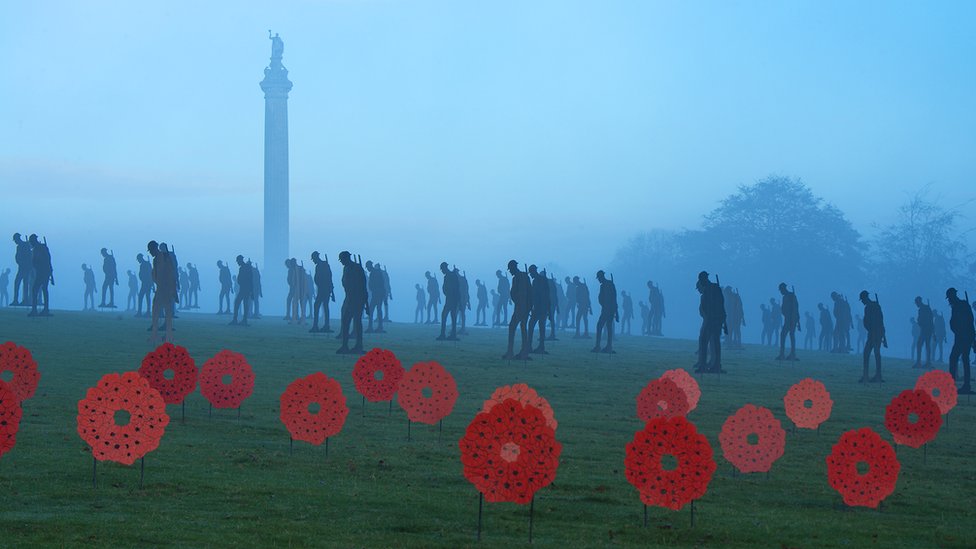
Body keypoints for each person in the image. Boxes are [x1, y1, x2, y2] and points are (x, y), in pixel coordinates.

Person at [693, 271, 725, 373]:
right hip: (716, 319)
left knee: (704, 341)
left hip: (712, 319)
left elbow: (718, 304)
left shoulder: (710, 290)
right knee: (715, 342)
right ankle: (715, 365)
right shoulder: (715, 288)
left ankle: (705, 366)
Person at [337, 251, 368, 354]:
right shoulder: (346, 268)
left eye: (342, 260)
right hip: (349, 298)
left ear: (347, 258)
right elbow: (344, 282)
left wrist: (365, 301)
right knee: (345, 322)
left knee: (357, 323)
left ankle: (359, 346)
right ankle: (345, 346)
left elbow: (363, 285)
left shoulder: (357, 268)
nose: (341, 262)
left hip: (358, 299)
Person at [946, 288, 974, 394]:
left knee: (957, 358)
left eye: (949, 298)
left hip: (964, 337)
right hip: (961, 336)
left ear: (953, 296)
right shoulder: (957, 306)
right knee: (961, 358)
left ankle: (963, 385)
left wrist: (970, 336)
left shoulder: (962, 305)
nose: (949, 300)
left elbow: (970, 321)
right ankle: (963, 385)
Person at [502, 260, 532, 360]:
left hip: (521, 306)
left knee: (513, 327)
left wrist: (520, 303)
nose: (510, 271)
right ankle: (523, 352)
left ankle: (511, 352)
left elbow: (518, 293)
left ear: (514, 268)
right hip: (525, 306)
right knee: (523, 328)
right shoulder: (525, 276)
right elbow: (530, 292)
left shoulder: (518, 278)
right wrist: (529, 306)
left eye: (510, 269)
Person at [149, 240, 176, 344]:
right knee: (156, 312)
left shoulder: (165, 258)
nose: (151, 253)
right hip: (160, 288)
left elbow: (171, 274)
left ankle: (168, 336)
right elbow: (155, 274)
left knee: (167, 314)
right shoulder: (156, 260)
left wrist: (172, 290)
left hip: (166, 289)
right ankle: (155, 335)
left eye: (151, 250)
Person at [859, 290, 886, 383]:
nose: (862, 302)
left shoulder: (869, 308)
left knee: (868, 353)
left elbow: (871, 321)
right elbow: (881, 320)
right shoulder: (876, 306)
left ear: (865, 298)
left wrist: (872, 330)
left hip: (874, 333)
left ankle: (868, 376)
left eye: (862, 300)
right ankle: (877, 375)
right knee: (875, 353)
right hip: (877, 332)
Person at [593, 271, 619, 353]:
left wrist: (616, 311)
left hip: (607, 309)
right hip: (608, 309)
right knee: (608, 327)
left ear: (601, 277)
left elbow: (613, 298)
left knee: (601, 326)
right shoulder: (607, 285)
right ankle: (607, 346)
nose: (598, 280)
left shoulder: (606, 285)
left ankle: (601, 346)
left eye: (599, 278)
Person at [27, 234, 53, 317]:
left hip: (43, 272)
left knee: (37, 290)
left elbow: (46, 260)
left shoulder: (40, 248)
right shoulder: (39, 248)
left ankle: (40, 310)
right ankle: (43, 310)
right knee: (42, 290)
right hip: (42, 272)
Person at [309, 252, 335, 333]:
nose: (313, 261)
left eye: (313, 259)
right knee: (323, 306)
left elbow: (329, 277)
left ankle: (321, 326)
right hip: (322, 289)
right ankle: (321, 326)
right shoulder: (321, 265)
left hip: (324, 289)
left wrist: (331, 290)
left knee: (320, 306)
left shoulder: (323, 265)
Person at [527, 266, 550, 354]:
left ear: (534, 272)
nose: (531, 275)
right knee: (540, 326)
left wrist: (535, 307)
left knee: (534, 325)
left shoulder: (538, 281)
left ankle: (536, 346)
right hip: (541, 307)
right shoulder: (541, 280)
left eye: (531, 273)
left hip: (539, 308)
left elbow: (541, 295)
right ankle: (537, 346)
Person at [776, 283, 800, 361]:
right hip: (788, 319)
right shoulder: (786, 297)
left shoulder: (791, 296)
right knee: (784, 335)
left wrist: (797, 321)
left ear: (783, 289)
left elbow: (796, 309)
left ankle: (792, 354)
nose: (781, 292)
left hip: (792, 319)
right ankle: (782, 354)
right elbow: (784, 309)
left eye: (781, 290)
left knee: (790, 336)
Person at [437, 262, 460, 341]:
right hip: (451, 299)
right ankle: (450, 334)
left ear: (444, 268)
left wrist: (454, 297)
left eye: (442, 269)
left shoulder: (451, 276)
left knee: (446, 316)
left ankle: (446, 334)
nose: (442, 271)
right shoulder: (450, 276)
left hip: (451, 299)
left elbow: (455, 288)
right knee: (451, 316)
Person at [229, 255, 253, 326]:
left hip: (245, 288)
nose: (237, 263)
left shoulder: (245, 268)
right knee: (243, 304)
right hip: (245, 288)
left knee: (239, 303)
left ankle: (239, 320)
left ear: (240, 260)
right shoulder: (244, 268)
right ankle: (242, 320)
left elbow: (249, 279)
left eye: (238, 261)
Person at [11, 233, 33, 306]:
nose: (15, 242)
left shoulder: (25, 245)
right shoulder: (20, 246)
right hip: (21, 267)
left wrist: (26, 264)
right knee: (18, 283)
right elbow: (17, 257)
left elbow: (29, 256)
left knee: (24, 283)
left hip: (25, 268)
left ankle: (25, 300)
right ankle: (16, 300)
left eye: (15, 240)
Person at [913, 296, 934, 368]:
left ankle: (921, 362)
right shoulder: (926, 308)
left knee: (920, 345)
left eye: (916, 303)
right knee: (926, 345)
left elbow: (928, 320)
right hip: (927, 329)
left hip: (926, 329)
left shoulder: (923, 309)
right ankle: (927, 362)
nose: (916, 304)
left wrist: (920, 322)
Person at [366, 261, 387, 333]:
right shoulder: (376, 272)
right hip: (377, 294)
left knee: (373, 310)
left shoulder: (375, 273)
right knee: (377, 310)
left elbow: (379, 283)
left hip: (377, 294)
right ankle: (377, 327)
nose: (367, 269)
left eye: (368, 267)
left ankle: (374, 327)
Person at [137, 253, 153, 317]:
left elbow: (150, 273)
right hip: (145, 282)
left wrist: (150, 282)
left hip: (147, 283)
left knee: (144, 297)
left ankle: (146, 312)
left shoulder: (145, 264)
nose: (138, 261)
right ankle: (143, 312)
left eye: (138, 259)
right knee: (145, 297)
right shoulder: (145, 264)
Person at [457, 269, 471, 335]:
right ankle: (456, 328)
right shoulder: (458, 280)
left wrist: (468, 301)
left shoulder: (462, 279)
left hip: (462, 299)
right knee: (456, 313)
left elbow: (466, 291)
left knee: (462, 314)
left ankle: (463, 328)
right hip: (458, 299)